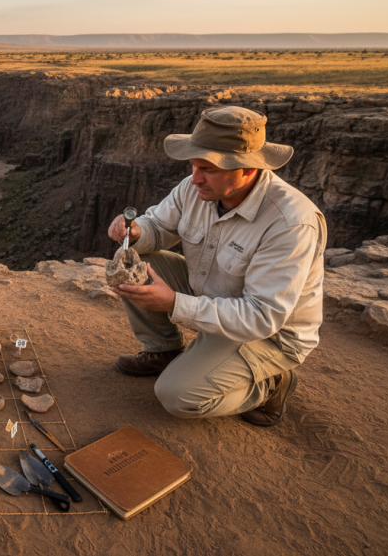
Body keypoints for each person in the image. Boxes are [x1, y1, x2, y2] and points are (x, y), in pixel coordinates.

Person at [107, 106, 325, 427]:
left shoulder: (290, 223)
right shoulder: (197, 188)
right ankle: (164, 350)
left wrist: (174, 303)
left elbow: (262, 316)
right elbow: (158, 225)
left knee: (177, 395)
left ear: (248, 169)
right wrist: (137, 231)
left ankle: (269, 385)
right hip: (212, 296)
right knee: (134, 263)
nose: (194, 177)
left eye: (207, 167)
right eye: (194, 165)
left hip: (268, 335)